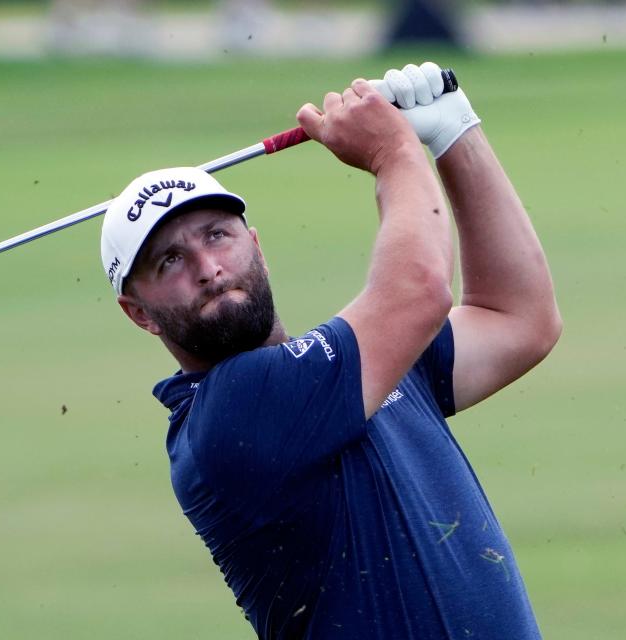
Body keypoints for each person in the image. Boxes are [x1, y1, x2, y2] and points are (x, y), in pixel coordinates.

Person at [99, 61, 561, 639]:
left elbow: (519, 317)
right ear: (138, 312)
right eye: (170, 261)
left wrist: (455, 134)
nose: (209, 269)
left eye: (218, 235)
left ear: (256, 246)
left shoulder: (358, 364)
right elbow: (418, 290)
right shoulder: (228, 414)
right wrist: (395, 154)